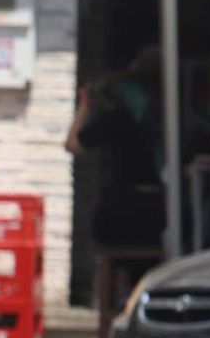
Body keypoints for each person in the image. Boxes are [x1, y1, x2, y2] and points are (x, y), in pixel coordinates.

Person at [65, 45, 167, 248]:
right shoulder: (171, 116)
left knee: (108, 253)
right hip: (160, 210)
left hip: (121, 210)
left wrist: (85, 105)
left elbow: (72, 145)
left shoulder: (119, 118)